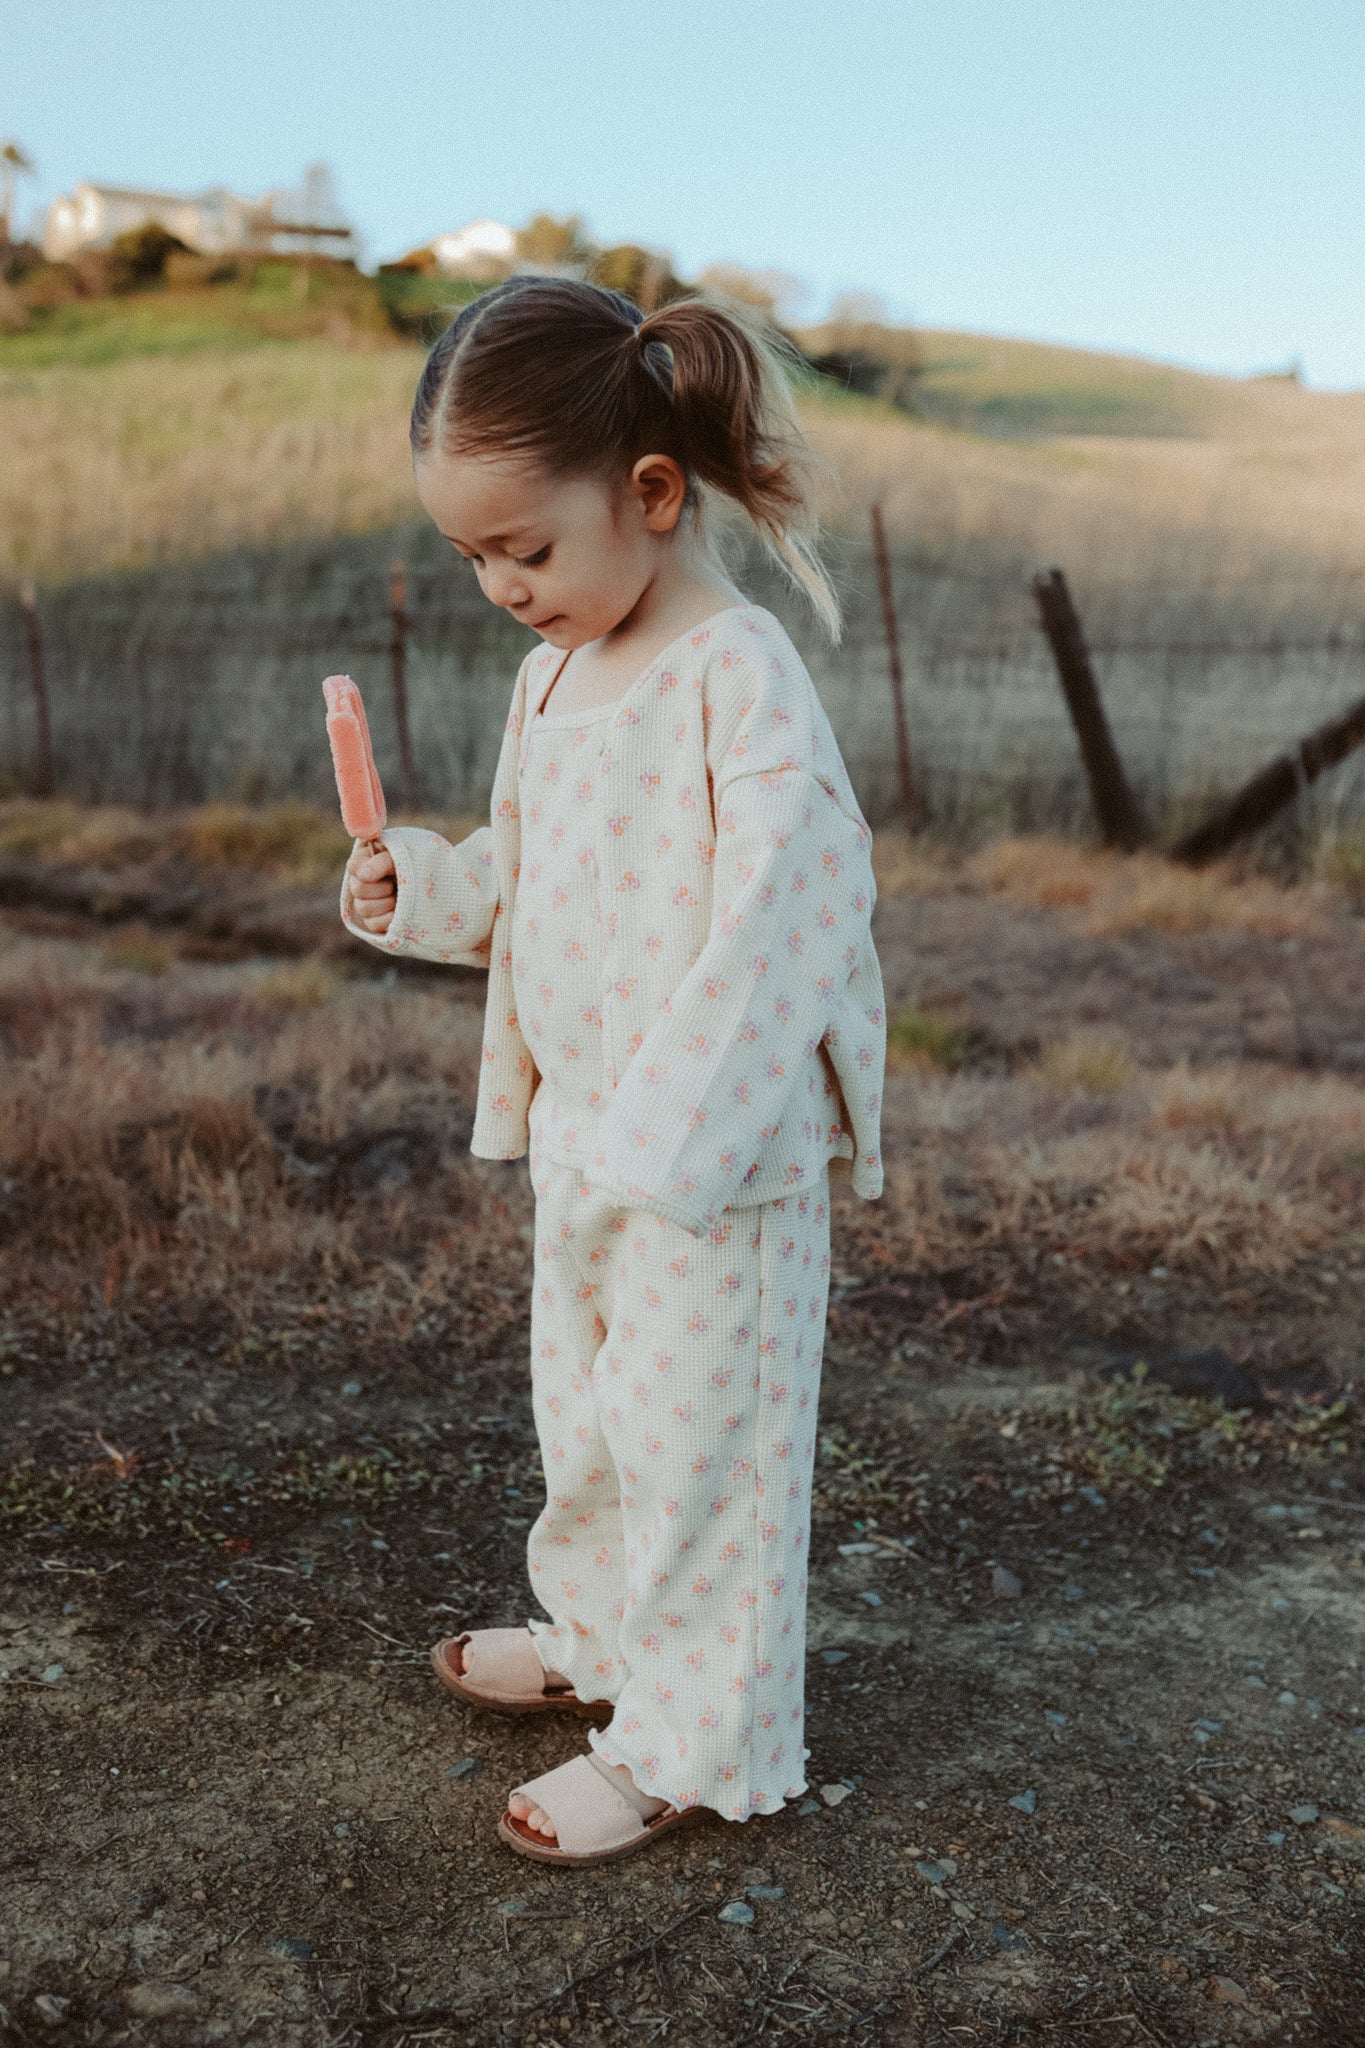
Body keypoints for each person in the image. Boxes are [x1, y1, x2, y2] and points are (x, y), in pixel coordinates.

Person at [340, 277, 886, 1865]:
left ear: (650, 496)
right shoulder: (555, 675)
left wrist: (671, 1138)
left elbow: (797, 907)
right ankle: (593, 1636)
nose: (501, 587)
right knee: (584, 1418)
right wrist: (421, 888)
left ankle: (684, 1741)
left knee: (697, 1452)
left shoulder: (737, 674)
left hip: (713, 1166)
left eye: (526, 547)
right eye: (471, 557)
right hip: (584, 1134)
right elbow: (536, 872)